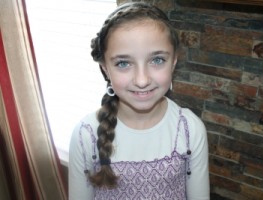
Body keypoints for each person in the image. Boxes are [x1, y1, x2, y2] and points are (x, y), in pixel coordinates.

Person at [68, 2, 210, 200]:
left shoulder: (189, 129)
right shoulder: (86, 134)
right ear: (105, 68)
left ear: (174, 61)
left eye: (157, 60)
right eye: (123, 63)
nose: (142, 80)